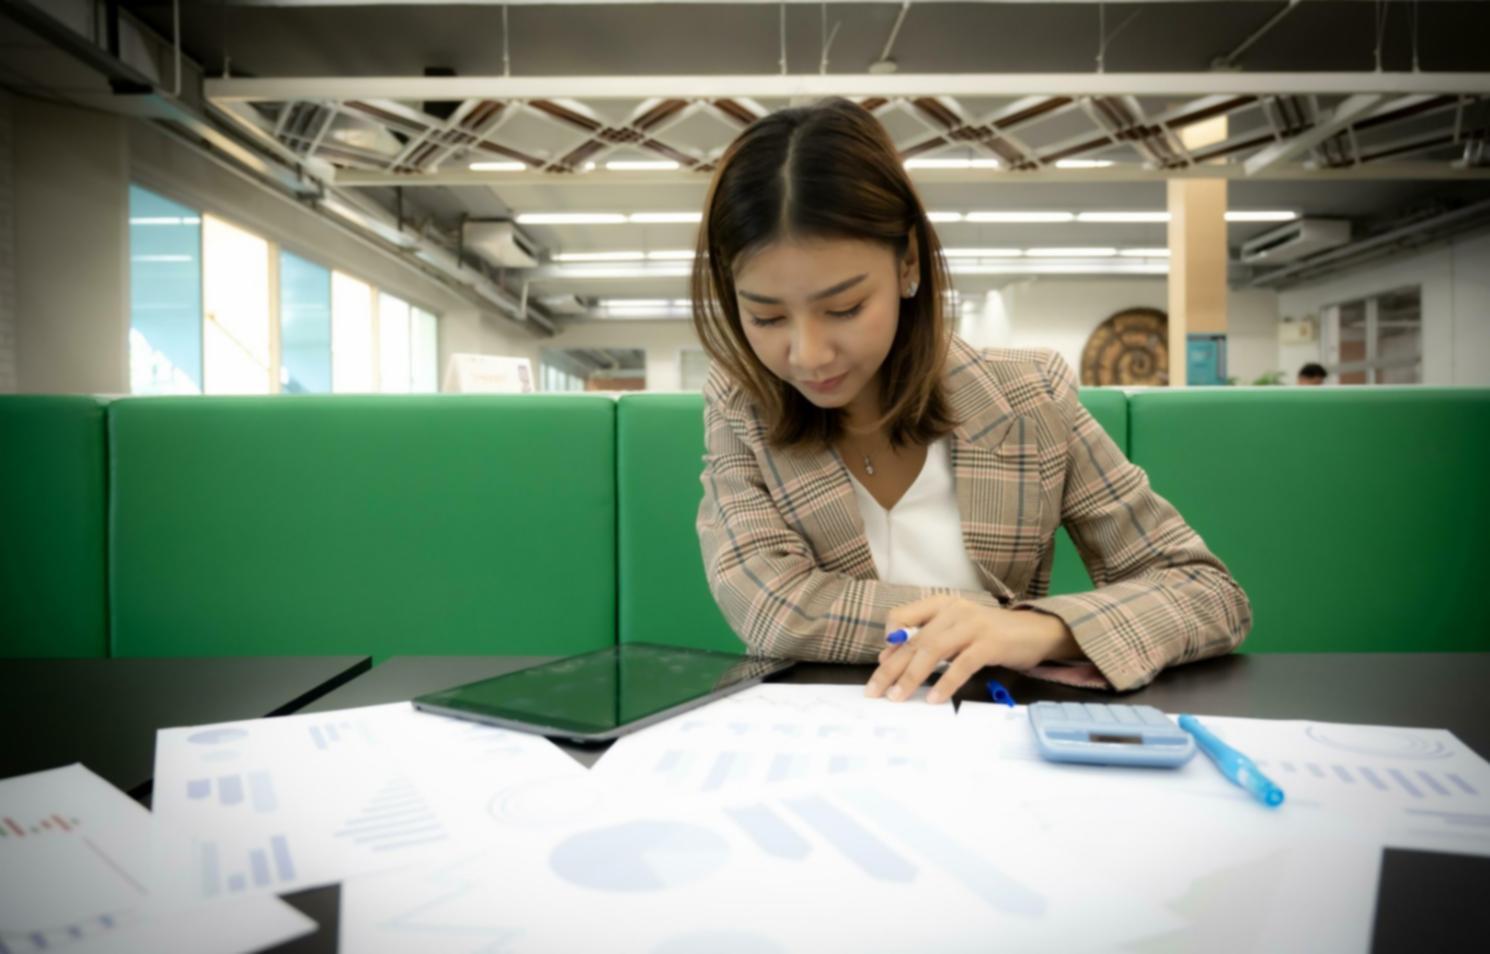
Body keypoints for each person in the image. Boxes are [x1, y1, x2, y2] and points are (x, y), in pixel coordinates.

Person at [692, 98, 1252, 700]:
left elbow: (1205, 592)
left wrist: (1037, 630)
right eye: (766, 316)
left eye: (845, 308)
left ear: (908, 263)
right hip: (825, 748)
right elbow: (771, 607)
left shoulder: (1030, 398)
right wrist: (979, 616)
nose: (808, 354)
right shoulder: (741, 406)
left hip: (995, 742)